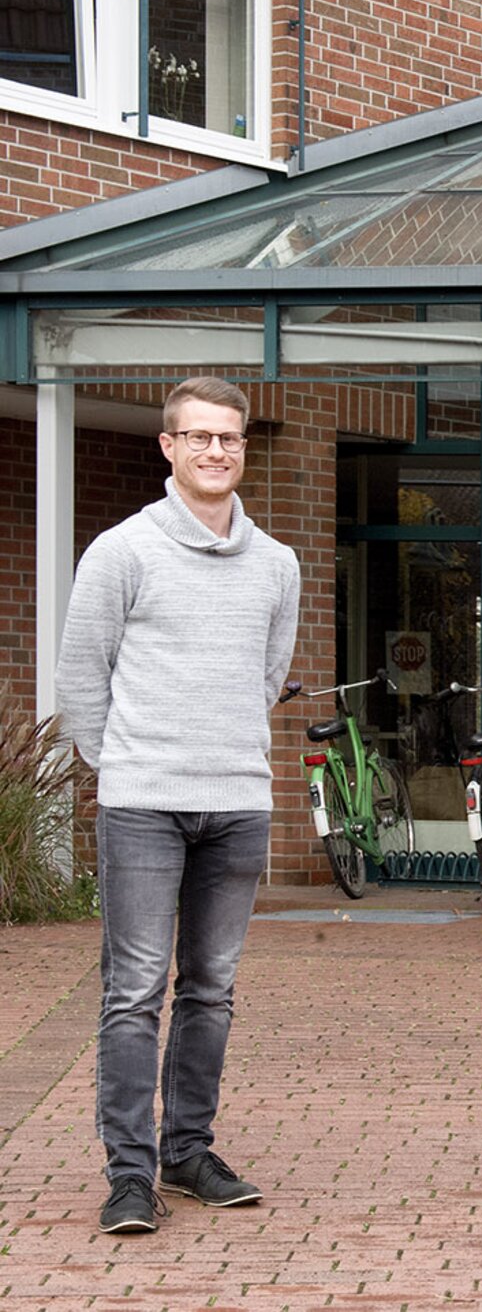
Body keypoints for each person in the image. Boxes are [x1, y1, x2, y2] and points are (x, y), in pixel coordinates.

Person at [56, 377, 301, 1235]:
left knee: (213, 989)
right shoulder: (121, 551)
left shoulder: (277, 564)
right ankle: (129, 1175)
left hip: (236, 803)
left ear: (243, 448)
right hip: (144, 804)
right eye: (197, 437)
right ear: (169, 447)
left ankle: (187, 1152)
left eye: (228, 438)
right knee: (132, 992)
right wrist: (119, 762)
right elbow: (82, 673)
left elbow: (267, 677)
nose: (214, 452)